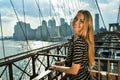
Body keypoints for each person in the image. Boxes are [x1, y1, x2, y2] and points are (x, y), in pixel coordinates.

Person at [49, 10, 95, 80]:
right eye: (76, 18)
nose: (76, 22)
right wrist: (63, 62)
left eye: (81, 21)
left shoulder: (79, 42)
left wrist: (55, 67)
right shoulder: (75, 38)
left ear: (86, 25)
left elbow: (74, 70)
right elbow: (78, 60)